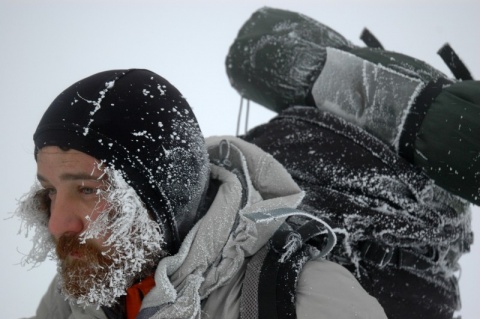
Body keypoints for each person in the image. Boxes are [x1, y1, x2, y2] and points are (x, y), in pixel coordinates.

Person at [16, 69, 387, 319]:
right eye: (50, 190)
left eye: (87, 189)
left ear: (165, 199)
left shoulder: (304, 298)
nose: (56, 222)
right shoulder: (84, 286)